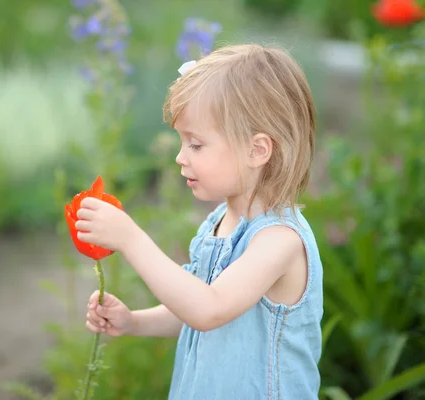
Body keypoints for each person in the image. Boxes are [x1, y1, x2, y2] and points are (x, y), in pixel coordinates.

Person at [74, 43, 323, 399]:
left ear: (257, 150)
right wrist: (135, 321)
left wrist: (131, 239)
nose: (179, 157)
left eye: (196, 145)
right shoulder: (220, 222)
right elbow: (191, 308)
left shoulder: (279, 241)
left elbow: (210, 309)